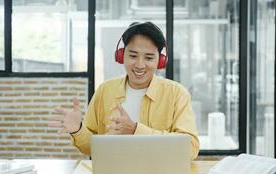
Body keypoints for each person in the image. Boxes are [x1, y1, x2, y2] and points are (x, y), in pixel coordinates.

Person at [48, 22, 200, 160]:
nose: (140, 65)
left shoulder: (176, 94)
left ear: (160, 61)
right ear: (121, 56)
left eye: (148, 58)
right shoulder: (105, 91)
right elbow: (92, 148)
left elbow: (190, 149)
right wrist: (78, 130)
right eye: (133, 56)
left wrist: (135, 130)